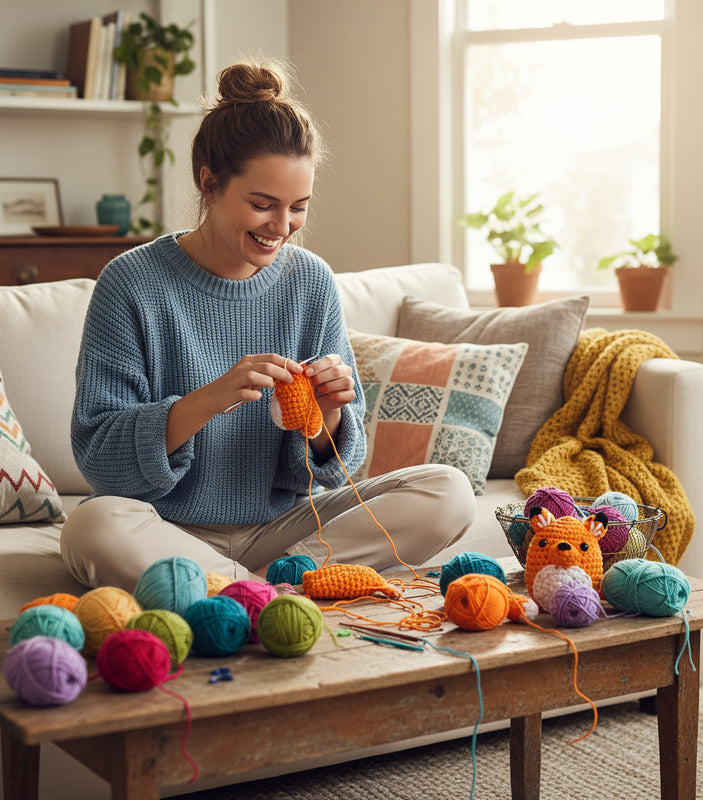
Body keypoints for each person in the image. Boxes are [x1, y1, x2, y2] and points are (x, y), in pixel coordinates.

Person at [60, 60, 475, 591]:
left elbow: (332, 468)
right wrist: (208, 399)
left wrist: (324, 418)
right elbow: (99, 455)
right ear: (209, 184)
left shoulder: (310, 281)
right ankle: (279, 589)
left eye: (298, 208)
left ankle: (246, 588)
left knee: (448, 491)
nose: (282, 228)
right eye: (262, 205)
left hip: (284, 530)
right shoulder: (131, 283)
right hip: (162, 525)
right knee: (90, 527)